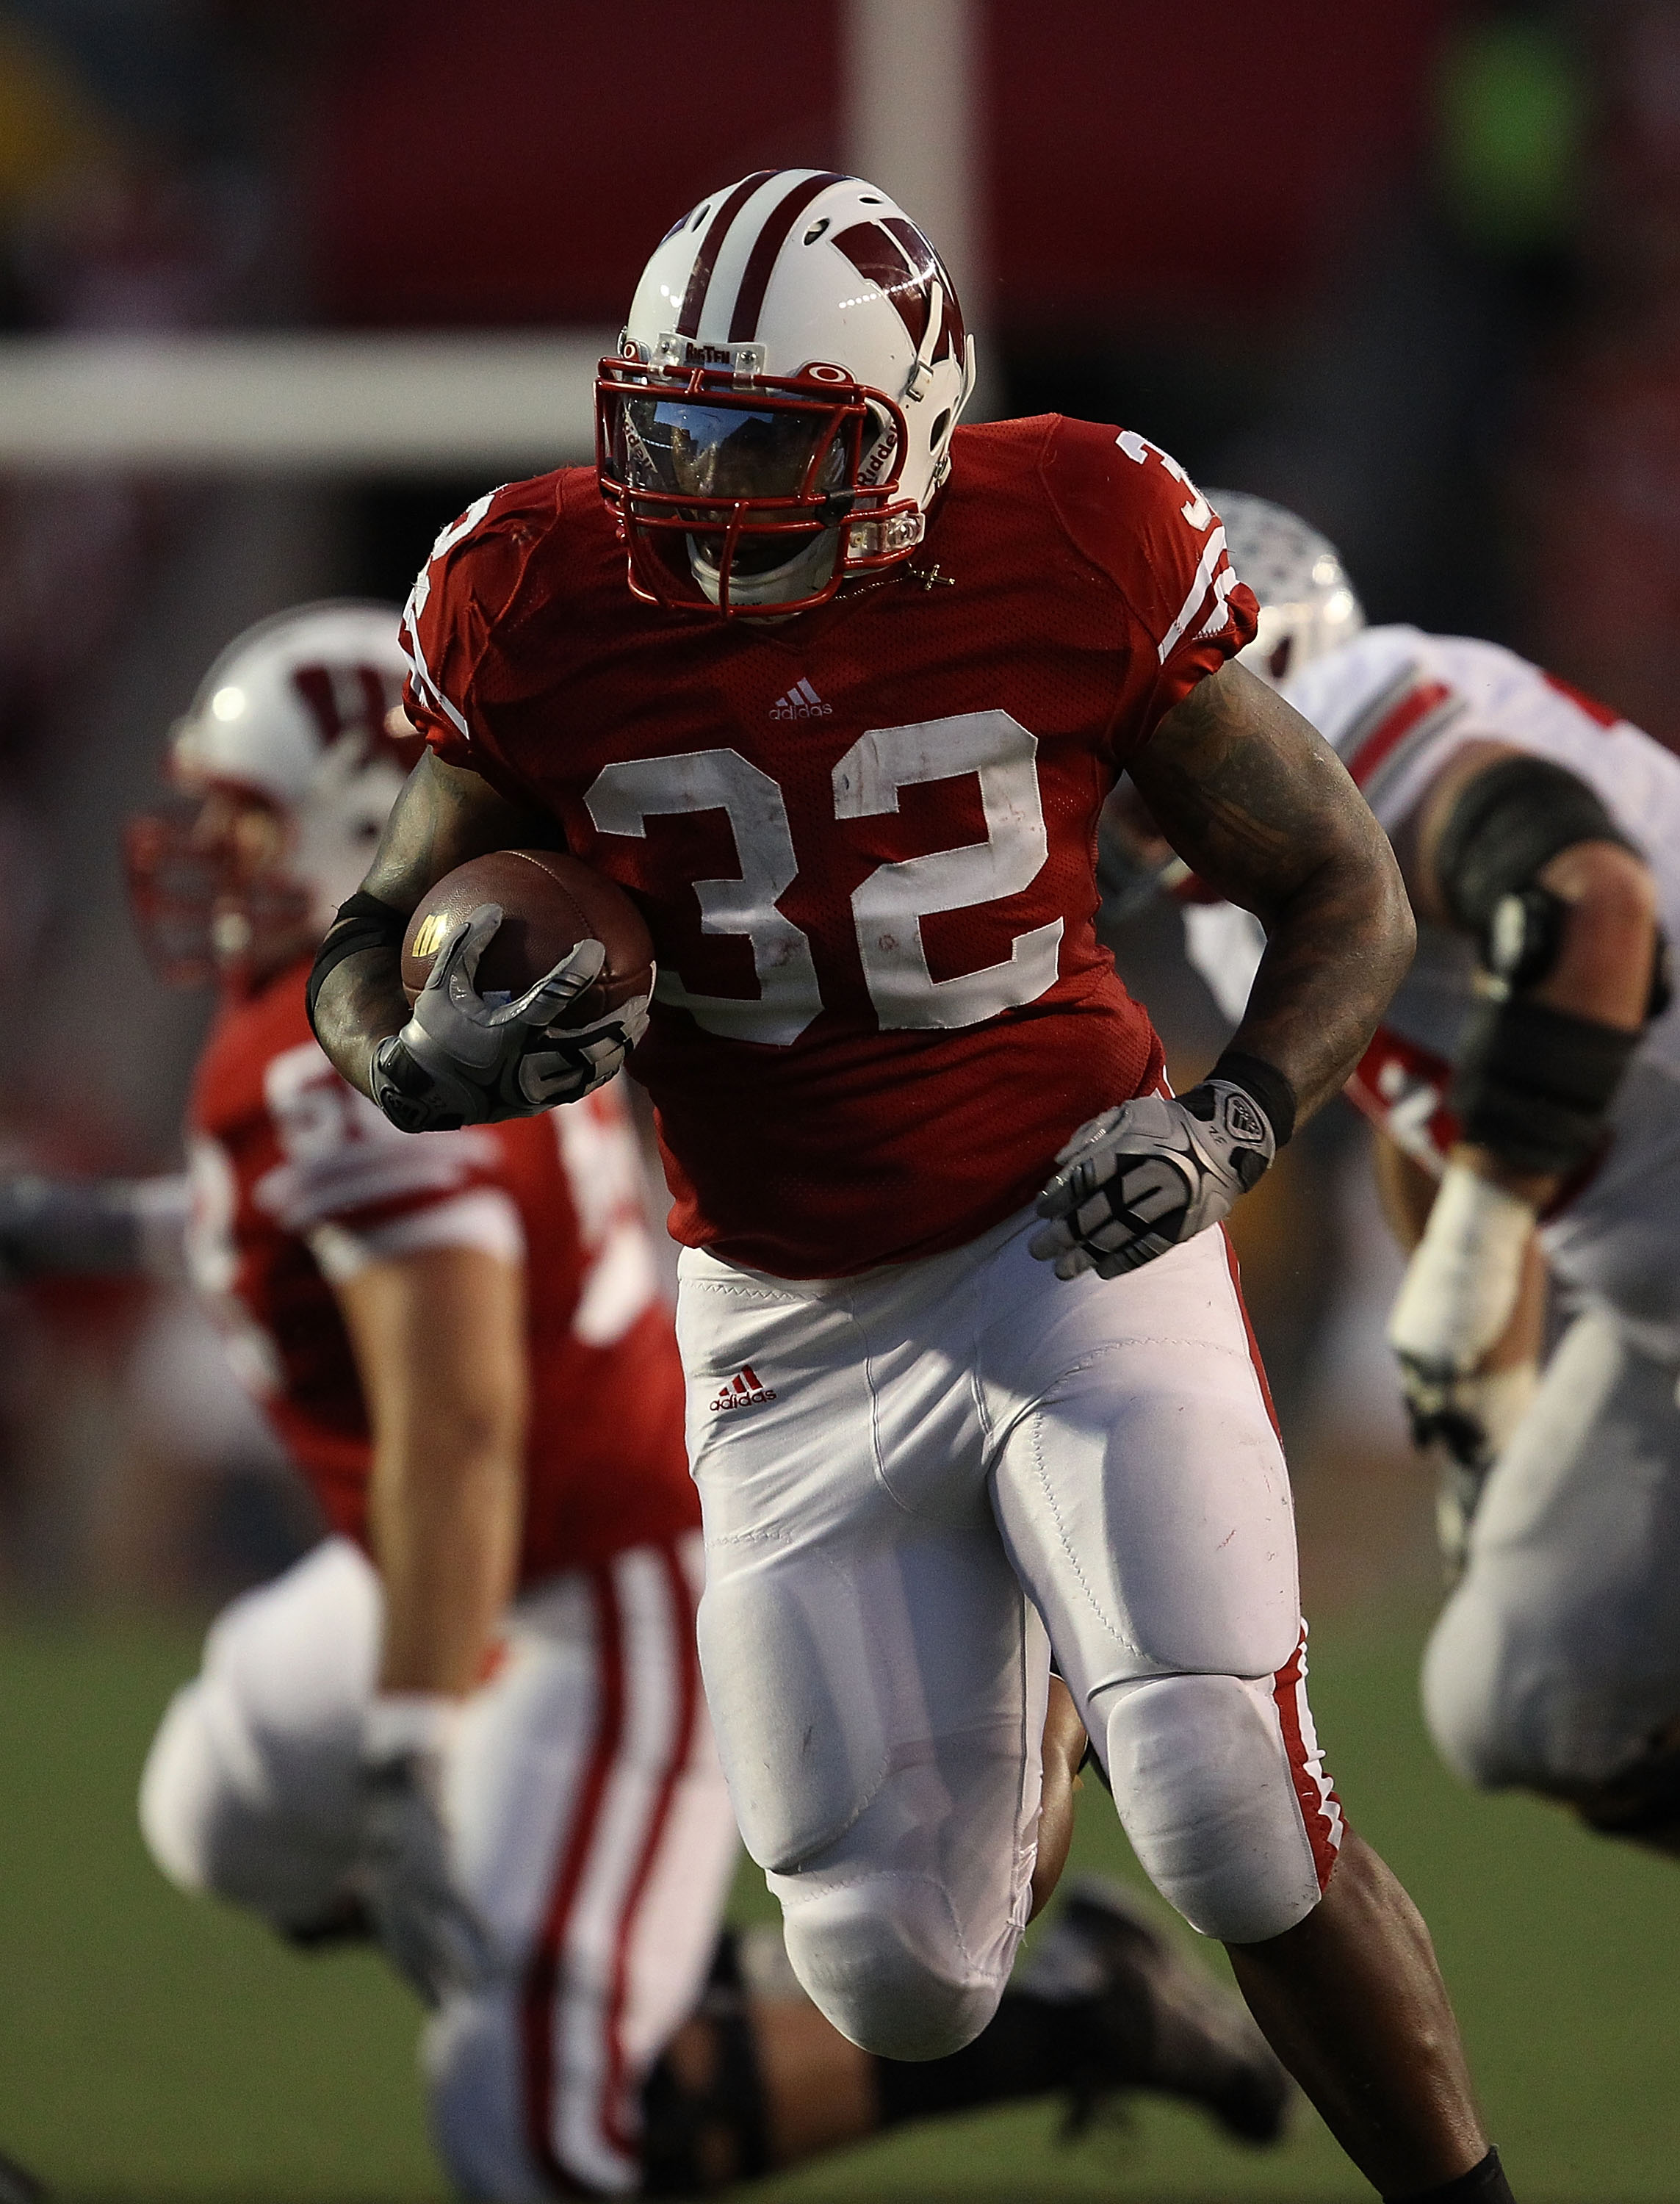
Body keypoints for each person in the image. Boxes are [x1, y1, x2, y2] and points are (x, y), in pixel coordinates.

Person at [309, 168, 1515, 2203]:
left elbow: (1343, 888)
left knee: (1227, 1798)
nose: (701, 490)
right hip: (781, 1306)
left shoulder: (1079, 527)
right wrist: (415, 1054)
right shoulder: (532, 595)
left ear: (914, 423)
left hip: (1070, 1230)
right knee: (892, 1975)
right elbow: (365, 943)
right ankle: (1047, 1753)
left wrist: (1227, 1127)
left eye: (767, 441)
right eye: (669, 435)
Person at [54, 598, 1294, 2199]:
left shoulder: (348, 1066)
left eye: (243, 820)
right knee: (221, 1803)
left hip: (594, 1575)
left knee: (530, 2140)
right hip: (472, 1552)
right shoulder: (394, 1035)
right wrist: (101, 1229)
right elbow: (313, 1225)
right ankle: (611, 1951)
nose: (207, 858)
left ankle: (1058, 2020)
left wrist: (411, 1745)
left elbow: (459, 1420)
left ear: (360, 809)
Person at [1164, 493, 1680, 1857]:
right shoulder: (1233, 909)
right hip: (1652, 1311)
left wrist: (1491, 1227)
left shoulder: (1360, 711)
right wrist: (1480, 1381)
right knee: (1523, 1696)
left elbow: (1594, 903)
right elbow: (1418, 1119)